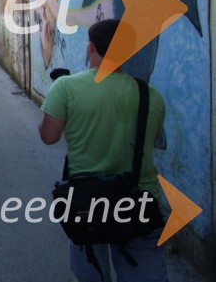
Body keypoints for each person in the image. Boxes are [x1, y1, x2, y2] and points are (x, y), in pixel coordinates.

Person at [39, 19, 167, 282]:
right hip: (140, 202)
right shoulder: (150, 95)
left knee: (90, 268)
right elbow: (149, 143)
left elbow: (48, 137)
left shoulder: (66, 87)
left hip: (87, 202)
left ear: (91, 47)